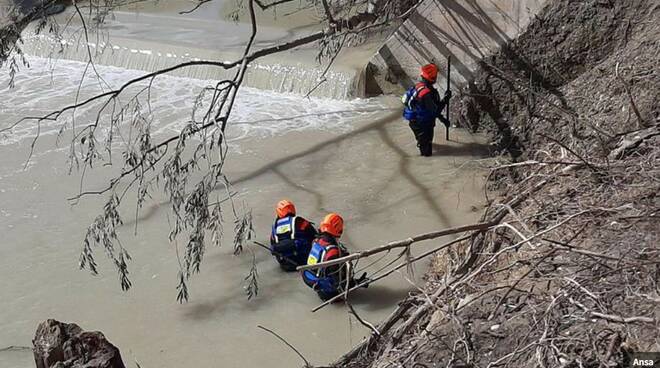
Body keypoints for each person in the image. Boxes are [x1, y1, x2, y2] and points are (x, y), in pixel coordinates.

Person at [302, 213, 367, 301]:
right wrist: (357, 283)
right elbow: (338, 282)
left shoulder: (316, 241)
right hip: (331, 294)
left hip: (318, 286)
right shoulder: (333, 252)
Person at [402, 63, 452, 157]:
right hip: (422, 124)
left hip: (416, 121)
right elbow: (435, 111)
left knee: (426, 142)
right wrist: (445, 99)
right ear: (434, 78)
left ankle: (423, 142)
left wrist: (443, 120)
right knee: (426, 154)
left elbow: (432, 110)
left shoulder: (419, 86)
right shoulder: (427, 94)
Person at [270, 199, 317, 271]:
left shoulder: (275, 227)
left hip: (285, 265)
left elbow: (273, 244)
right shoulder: (299, 221)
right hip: (303, 261)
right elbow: (314, 235)